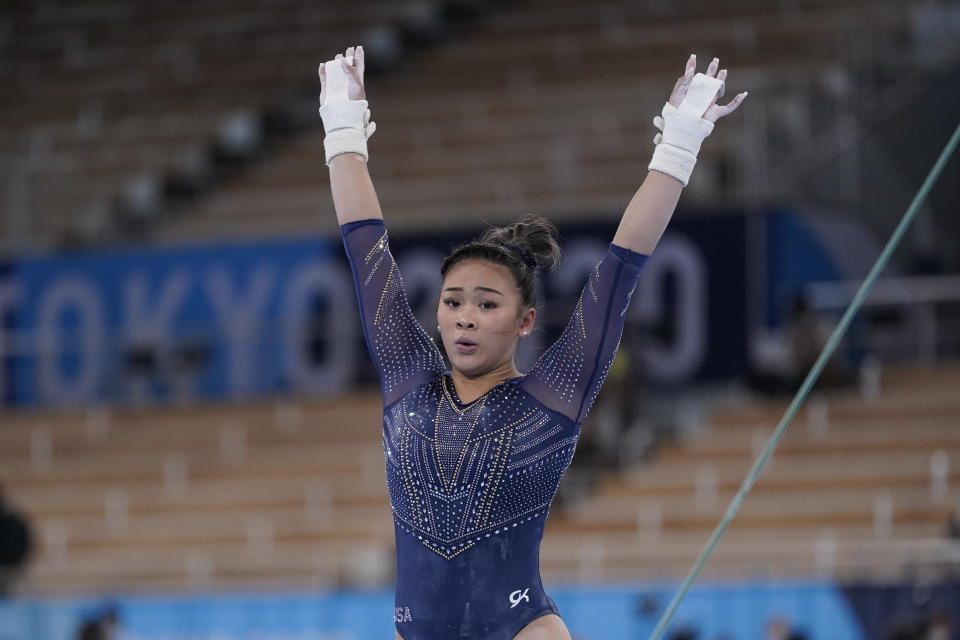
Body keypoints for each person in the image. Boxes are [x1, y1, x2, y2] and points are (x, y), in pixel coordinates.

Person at [319, 45, 745, 640]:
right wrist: (342, 127)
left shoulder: (552, 396)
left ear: (525, 322)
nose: (465, 317)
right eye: (453, 302)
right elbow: (366, 247)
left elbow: (620, 268)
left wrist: (678, 144)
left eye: (487, 305)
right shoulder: (407, 377)